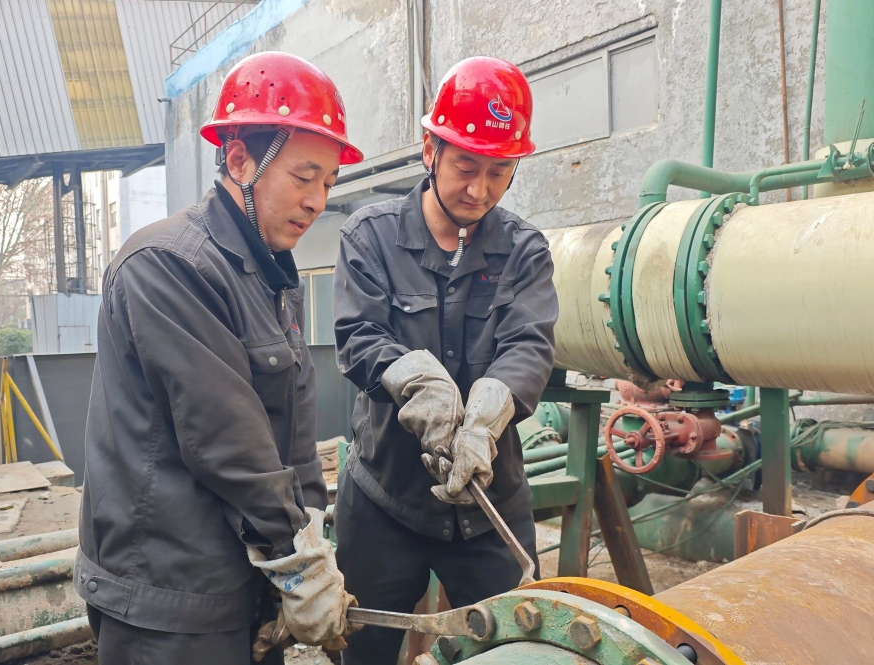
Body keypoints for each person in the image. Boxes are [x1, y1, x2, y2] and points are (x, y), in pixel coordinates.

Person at [74, 51, 364, 664]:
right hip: (169, 601)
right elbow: (228, 438)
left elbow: (291, 435)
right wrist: (296, 561)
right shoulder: (168, 265)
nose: (318, 200)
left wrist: (311, 541)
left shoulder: (269, 277)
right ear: (238, 161)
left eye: (330, 183)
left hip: (242, 586)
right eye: (304, 176)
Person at [332, 56, 559, 664]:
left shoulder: (524, 251)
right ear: (430, 150)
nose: (480, 190)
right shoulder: (370, 237)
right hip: (385, 502)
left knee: (515, 650)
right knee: (363, 653)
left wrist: (488, 414)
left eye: (498, 172)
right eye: (465, 167)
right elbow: (358, 334)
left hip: (489, 503)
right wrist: (413, 380)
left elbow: (529, 344)